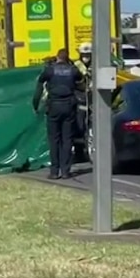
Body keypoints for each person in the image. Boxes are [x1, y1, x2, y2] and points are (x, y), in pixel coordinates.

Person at [33, 48, 83, 180]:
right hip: (69, 107)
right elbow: (81, 80)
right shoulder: (72, 70)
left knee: (54, 139)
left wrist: (35, 105)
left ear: (57, 57)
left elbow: (39, 87)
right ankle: (66, 171)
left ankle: (54, 171)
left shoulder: (50, 70)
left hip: (54, 106)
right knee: (67, 139)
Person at [73, 42, 93, 159]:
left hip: (93, 99)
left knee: (91, 125)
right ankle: (79, 152)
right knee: (79, 125)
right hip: (79, 99)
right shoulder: (76, 66)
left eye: (88, 54)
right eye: (84, 54)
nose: (86, 57)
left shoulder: (96, 65)